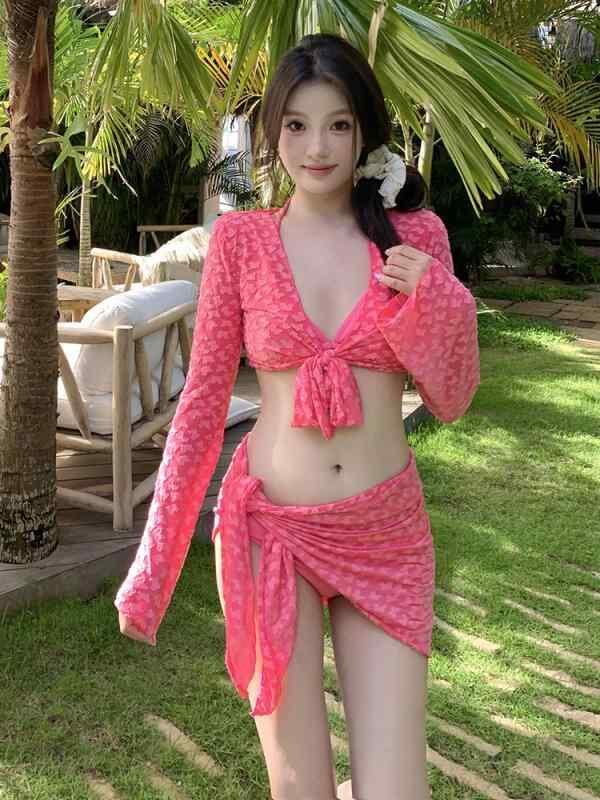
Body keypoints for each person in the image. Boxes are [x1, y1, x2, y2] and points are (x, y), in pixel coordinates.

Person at [115, 32, 480, 800]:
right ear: (272, 131)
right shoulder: (242, 241)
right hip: (270, 533)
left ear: (365, 131)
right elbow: (201, 405)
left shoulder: (416, 237)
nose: (318, 147)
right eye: (298, 125)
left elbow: (452, 398)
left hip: (384, 534)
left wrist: (436, 301)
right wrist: (152, 569)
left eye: (339, 125)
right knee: (300, 788)